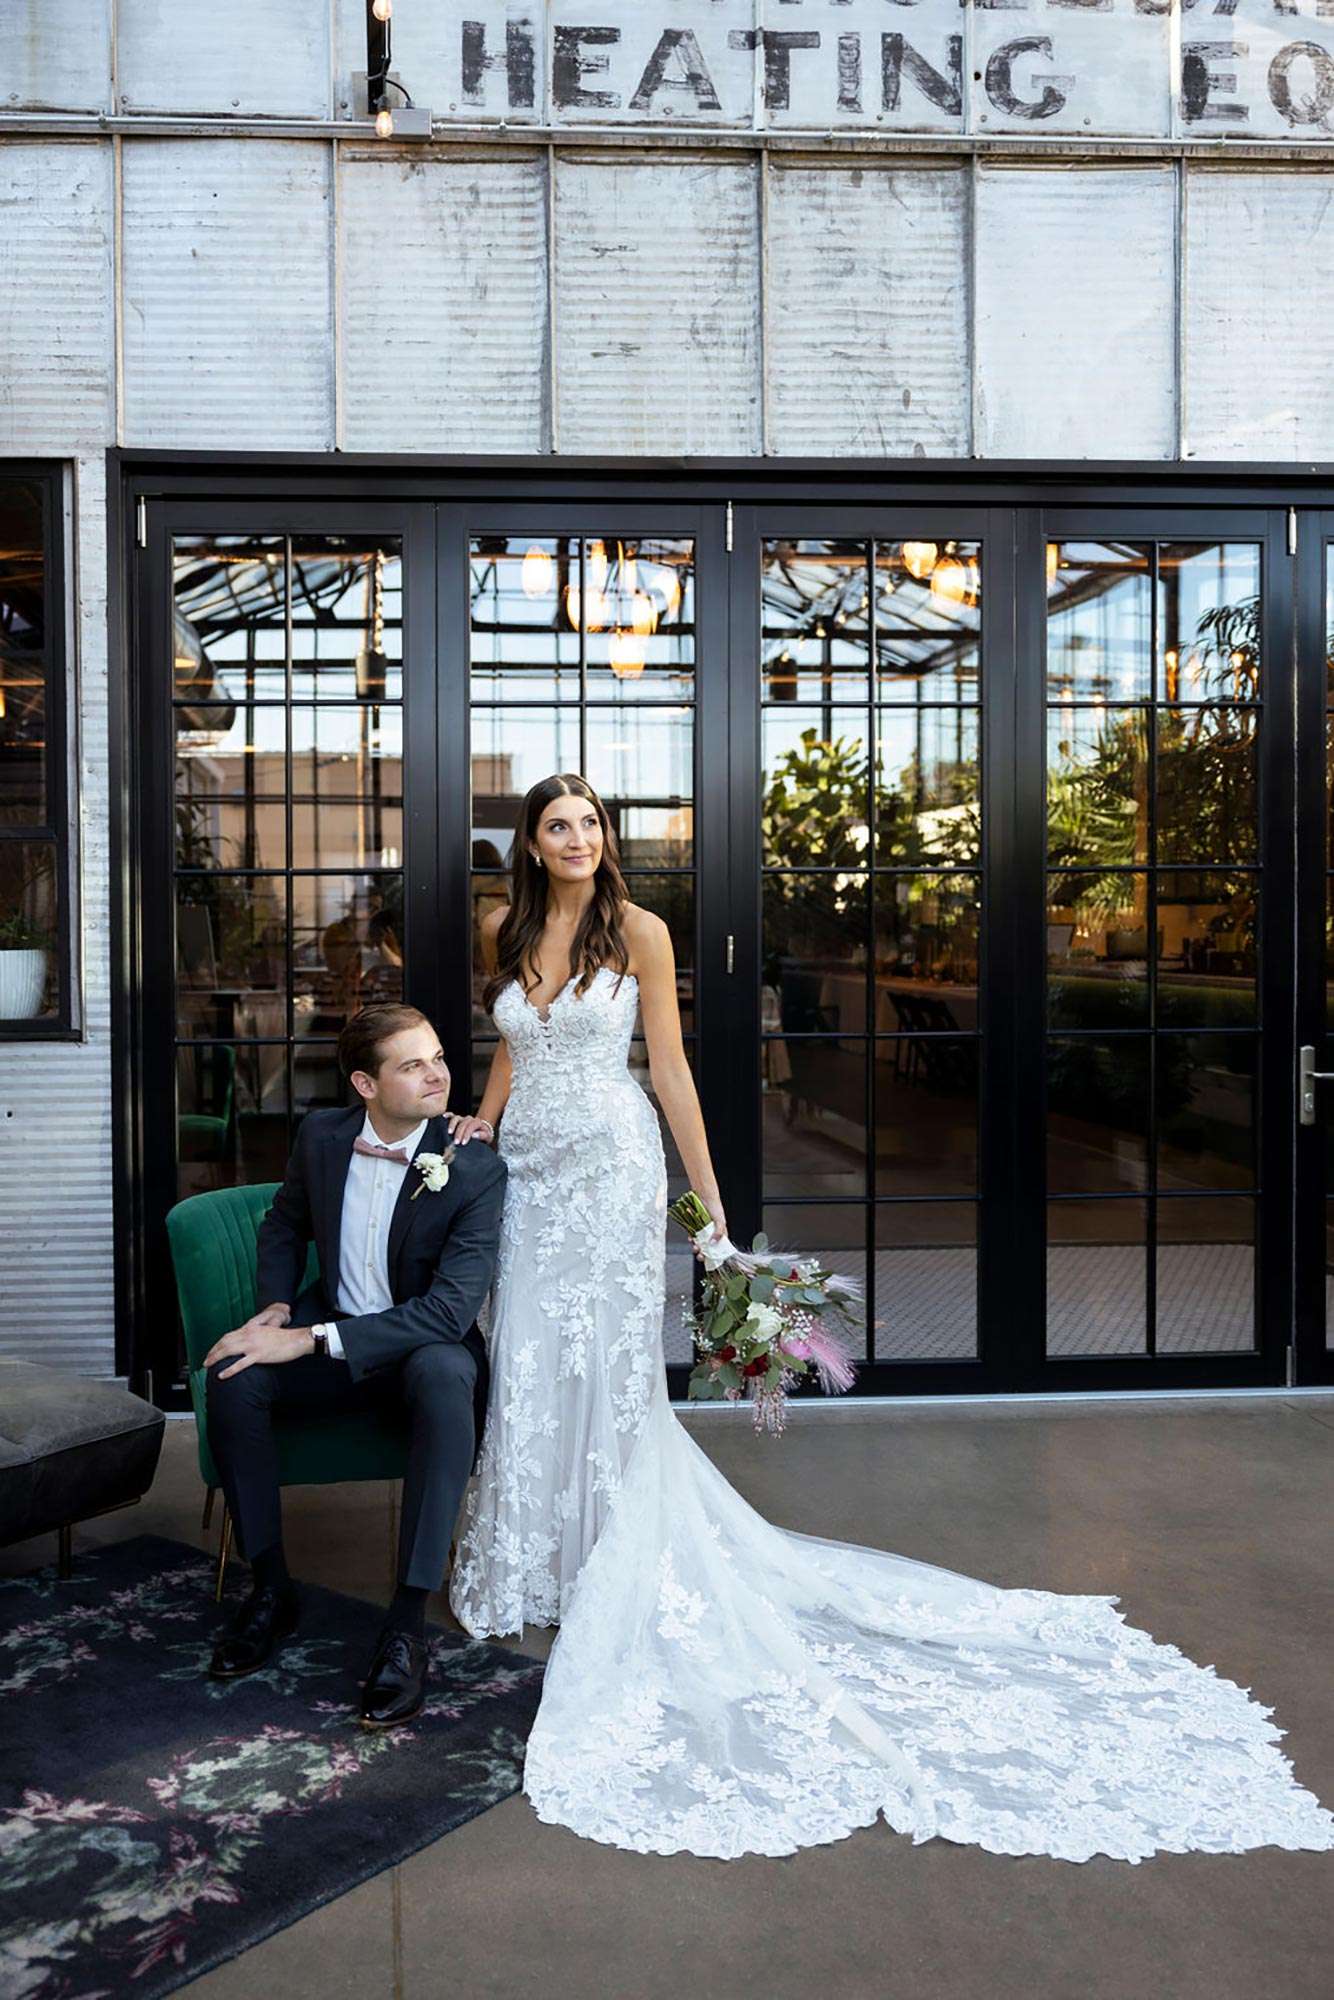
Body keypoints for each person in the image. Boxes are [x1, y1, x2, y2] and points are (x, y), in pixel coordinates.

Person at [445, 772, 1334, 1863]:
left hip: (612, 1169)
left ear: (603, 836)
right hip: (531, 1174)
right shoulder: (511, 925)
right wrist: (478, 1127)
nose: (577, 838)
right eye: (557, 825)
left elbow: (669, 1068)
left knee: (611, 1368)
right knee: (532, 1358)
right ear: (530, 845)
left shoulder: (642, 929)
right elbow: (510, 1047)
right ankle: (531, 1557)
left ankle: (607, 1563)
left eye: (589, 822)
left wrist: (710, 1212)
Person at [202, 1004, 505, 1726]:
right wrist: (276, 1309)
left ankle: (406, 1625)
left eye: (437, 1057)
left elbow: (447, 1313)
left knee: (445, 1377)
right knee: (233, 1379)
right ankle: (270, 1588)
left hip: (416, 1345)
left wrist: (304, 1341)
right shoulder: (322, 1136)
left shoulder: (474, 1168)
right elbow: (285, 1220)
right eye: (413, 1065)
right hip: (328, 1320)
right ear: (365, 1084)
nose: (439, 1075)